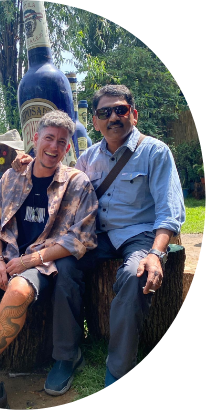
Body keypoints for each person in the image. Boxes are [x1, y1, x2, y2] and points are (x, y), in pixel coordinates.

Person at [13, 84, 185, 394]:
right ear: (95, 122)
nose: (113, 117)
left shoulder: (155, 151)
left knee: (135, 275)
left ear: (133, 114)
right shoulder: (88, 158)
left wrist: (156, 254)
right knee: (64, 268)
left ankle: (120, 367)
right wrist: (29, 161)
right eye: (104, 112)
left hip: (139, 234)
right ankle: (67, 356)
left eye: (120, 110)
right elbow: (62, 180)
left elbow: (169, 214)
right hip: (96, 236)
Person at [0, 110, 98, 408]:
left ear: (68, 148)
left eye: (61, 142)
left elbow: (79, 239)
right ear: (36, 139)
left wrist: (28, 262)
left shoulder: (77, 183)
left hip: (41, 263)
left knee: (18, 289)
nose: (54, 147)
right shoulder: (12, 176)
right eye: (48, 138)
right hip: (3, 255)